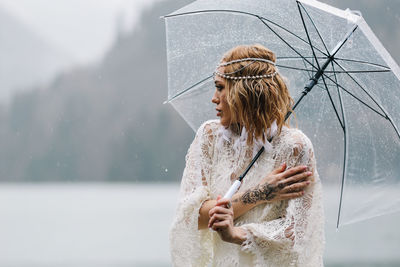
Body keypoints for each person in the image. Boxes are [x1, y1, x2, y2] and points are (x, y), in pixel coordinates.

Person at [169, 44, 324, 267]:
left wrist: (238, 234)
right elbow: (192, 216)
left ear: (245, 92)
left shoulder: (294, 147)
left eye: (220, 88)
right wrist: (259, 194)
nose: (214, 98)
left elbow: (299, 231)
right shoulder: (209, 137)